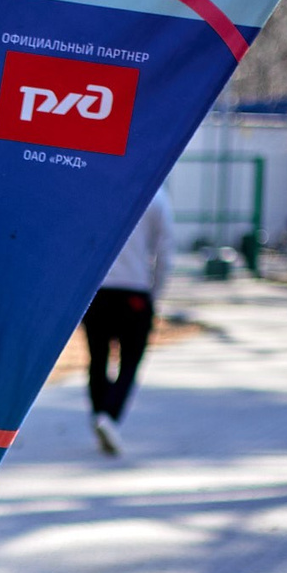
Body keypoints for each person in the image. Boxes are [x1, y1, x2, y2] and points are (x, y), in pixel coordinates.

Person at [84, 183, 173, 454]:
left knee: (97, 358)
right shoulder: (156, 196)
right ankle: (109, 416)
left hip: (97, 290)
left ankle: (99, 413)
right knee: (130, 362)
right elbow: (165, 251)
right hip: (134, 291)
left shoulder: (100, 192)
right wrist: (154, 294)